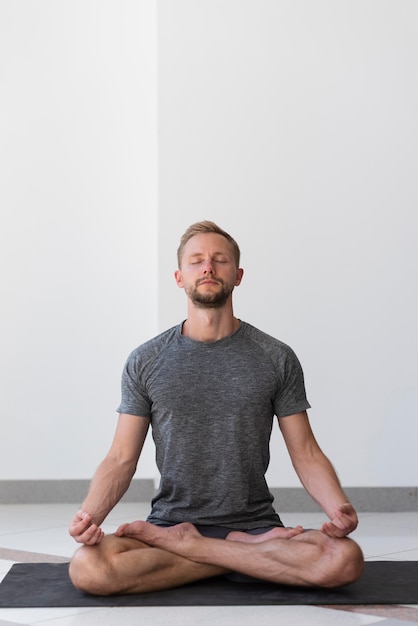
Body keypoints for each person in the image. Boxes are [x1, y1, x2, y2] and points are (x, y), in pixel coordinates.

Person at [68, 220, 364, 596]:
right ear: (179, 277)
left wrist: (338, 507)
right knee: (89, 568)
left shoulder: (276, 357)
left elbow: (305, 453)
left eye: (219, 260)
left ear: (238, 275)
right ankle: (241, 557)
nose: (208, 267)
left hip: (255, 523)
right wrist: (89, 516)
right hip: (170, 523)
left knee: (345, 559)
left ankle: (199, 550)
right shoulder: (146, 360)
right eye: (196, 261)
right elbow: (121, 458)